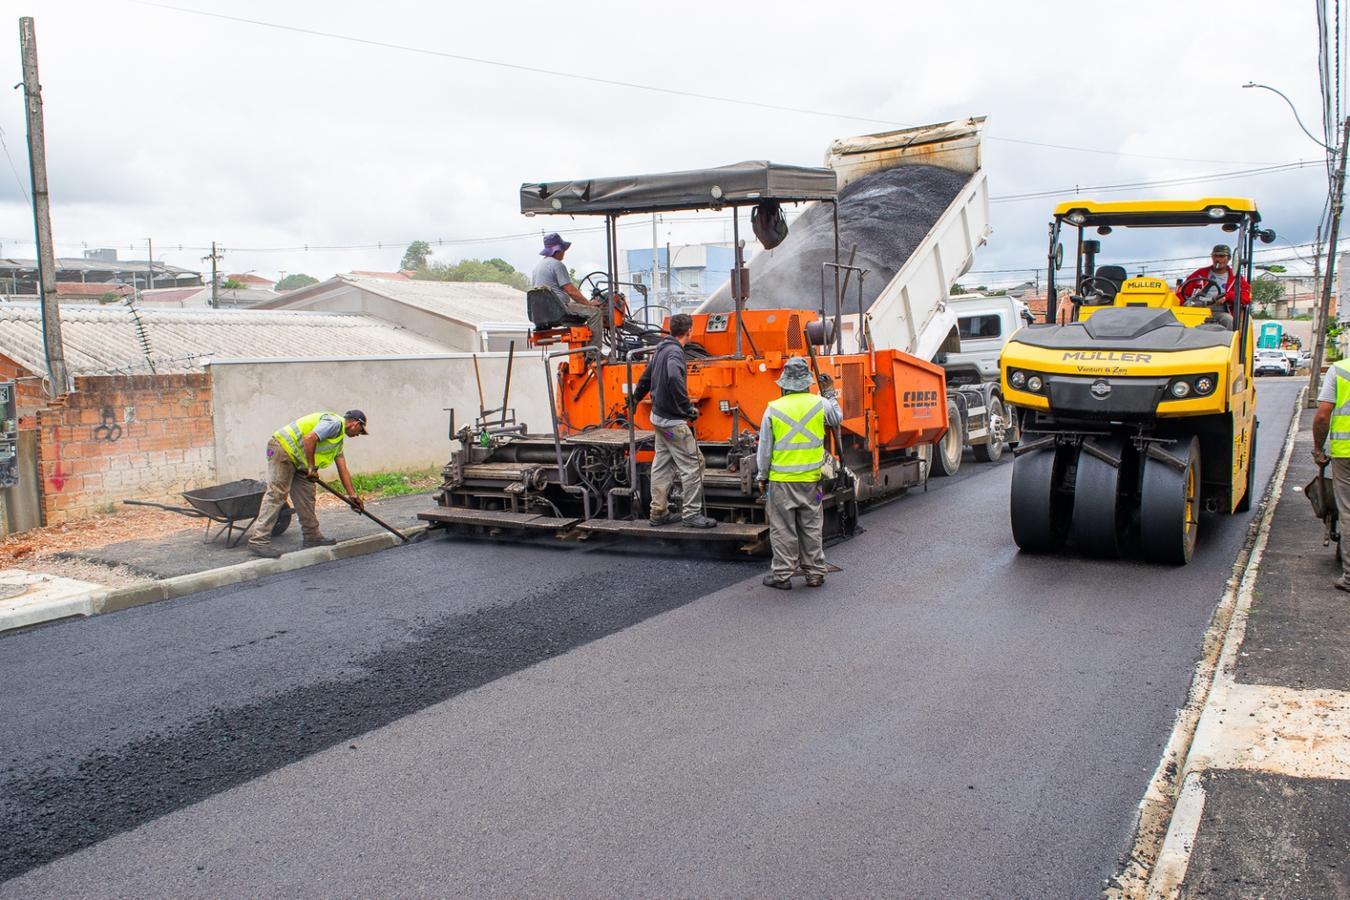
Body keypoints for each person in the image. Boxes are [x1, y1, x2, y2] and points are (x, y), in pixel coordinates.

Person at [755, 356, 843, 590]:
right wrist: (830, 394)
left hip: (781, 483)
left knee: (783, 528)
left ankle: (782, 575)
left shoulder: (773, 409)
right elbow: (837, 419)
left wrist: (761, 476)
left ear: (784, 383)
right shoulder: (820, 403)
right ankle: (814, 573)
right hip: (812, 483)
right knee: (811, 525)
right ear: (807, 382)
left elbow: (764, 449)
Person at [630, 313, 716, 529]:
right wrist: (686, 408)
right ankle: (691, 514)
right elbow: (674, 377)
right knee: (694, 464)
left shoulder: (660, 348)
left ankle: (658, 512)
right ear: (689, 331)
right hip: (672, 424)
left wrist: (635, 398)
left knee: (662, 463)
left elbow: (646, 377)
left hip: (659, 420)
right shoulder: (675, 353)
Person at [247, 410, 368, 558]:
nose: (358, 435)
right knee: (277, 494)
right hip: (283, 448)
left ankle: (312, 536)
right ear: (355, 424)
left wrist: (352, 496)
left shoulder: (338, 442)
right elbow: (309, 438)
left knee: (307, 495)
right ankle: (258, 541)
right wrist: (312, 467)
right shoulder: (335, 423)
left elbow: (343, 469)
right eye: (360, 431)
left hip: (300, 460)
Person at [531, 232, 605, 358]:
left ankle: (581, 355)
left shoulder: (537, 267)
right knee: (595, 313)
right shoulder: (557, 265)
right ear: (557, 251)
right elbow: (570, 290)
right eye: (563, 250)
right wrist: (589, 303)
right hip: (559, 308)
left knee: (579, 325)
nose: (564, 253)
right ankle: (593, 354)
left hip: (544, 313)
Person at [1312, 358, 1350, 591]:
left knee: (1348, 511)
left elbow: (1323, 415)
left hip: (1346, 453)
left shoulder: (1340, 370)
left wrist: (1318, 448)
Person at [1177, 244, 1251, 328]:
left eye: (1222, 256)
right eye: (1215, 256)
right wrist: (1185, 304)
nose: (1218, 259)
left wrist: (1227, 296)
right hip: (1197, 310)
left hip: (1220, 312)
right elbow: (1182, 293)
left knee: (1229, 320)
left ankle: (1227, 340)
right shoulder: (1200, 274)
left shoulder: (1236, 278)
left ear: (1229, 258)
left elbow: (1246, 297)